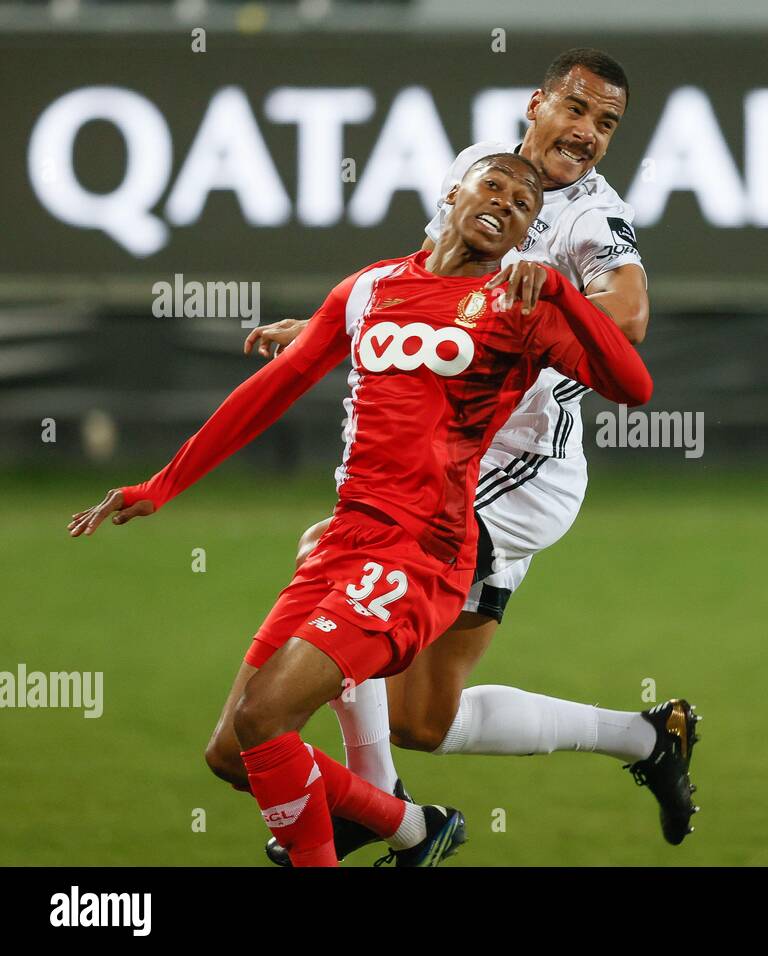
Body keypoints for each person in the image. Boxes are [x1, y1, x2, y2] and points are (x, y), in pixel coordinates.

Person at [69, 153, 653, 867]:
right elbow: (271, 389)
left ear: (528, 235)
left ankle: (396, 818)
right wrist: (160, 485)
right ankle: (411, 827)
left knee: (265, 720)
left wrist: (563, 294)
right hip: (347, 540)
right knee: (231, 753)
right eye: (493, 184)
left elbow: (633, 387)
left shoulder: (519, 308)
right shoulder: (371, 287)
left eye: (525, 204)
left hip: (422, 554)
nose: (506, 201)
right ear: (453, 192)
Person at [247, 48, 700, 864]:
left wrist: (559, 292)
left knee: (336, 553)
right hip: (456, 458)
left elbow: (628, 318)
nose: (588, 132)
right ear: (537, 104)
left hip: (517, 475)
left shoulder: (594, 218)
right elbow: (427, 278)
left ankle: (378, 804)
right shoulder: (479, 173)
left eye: (607, 124)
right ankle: (647, 738)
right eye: (577, 109)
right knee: (425, 718)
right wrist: (328, 331)